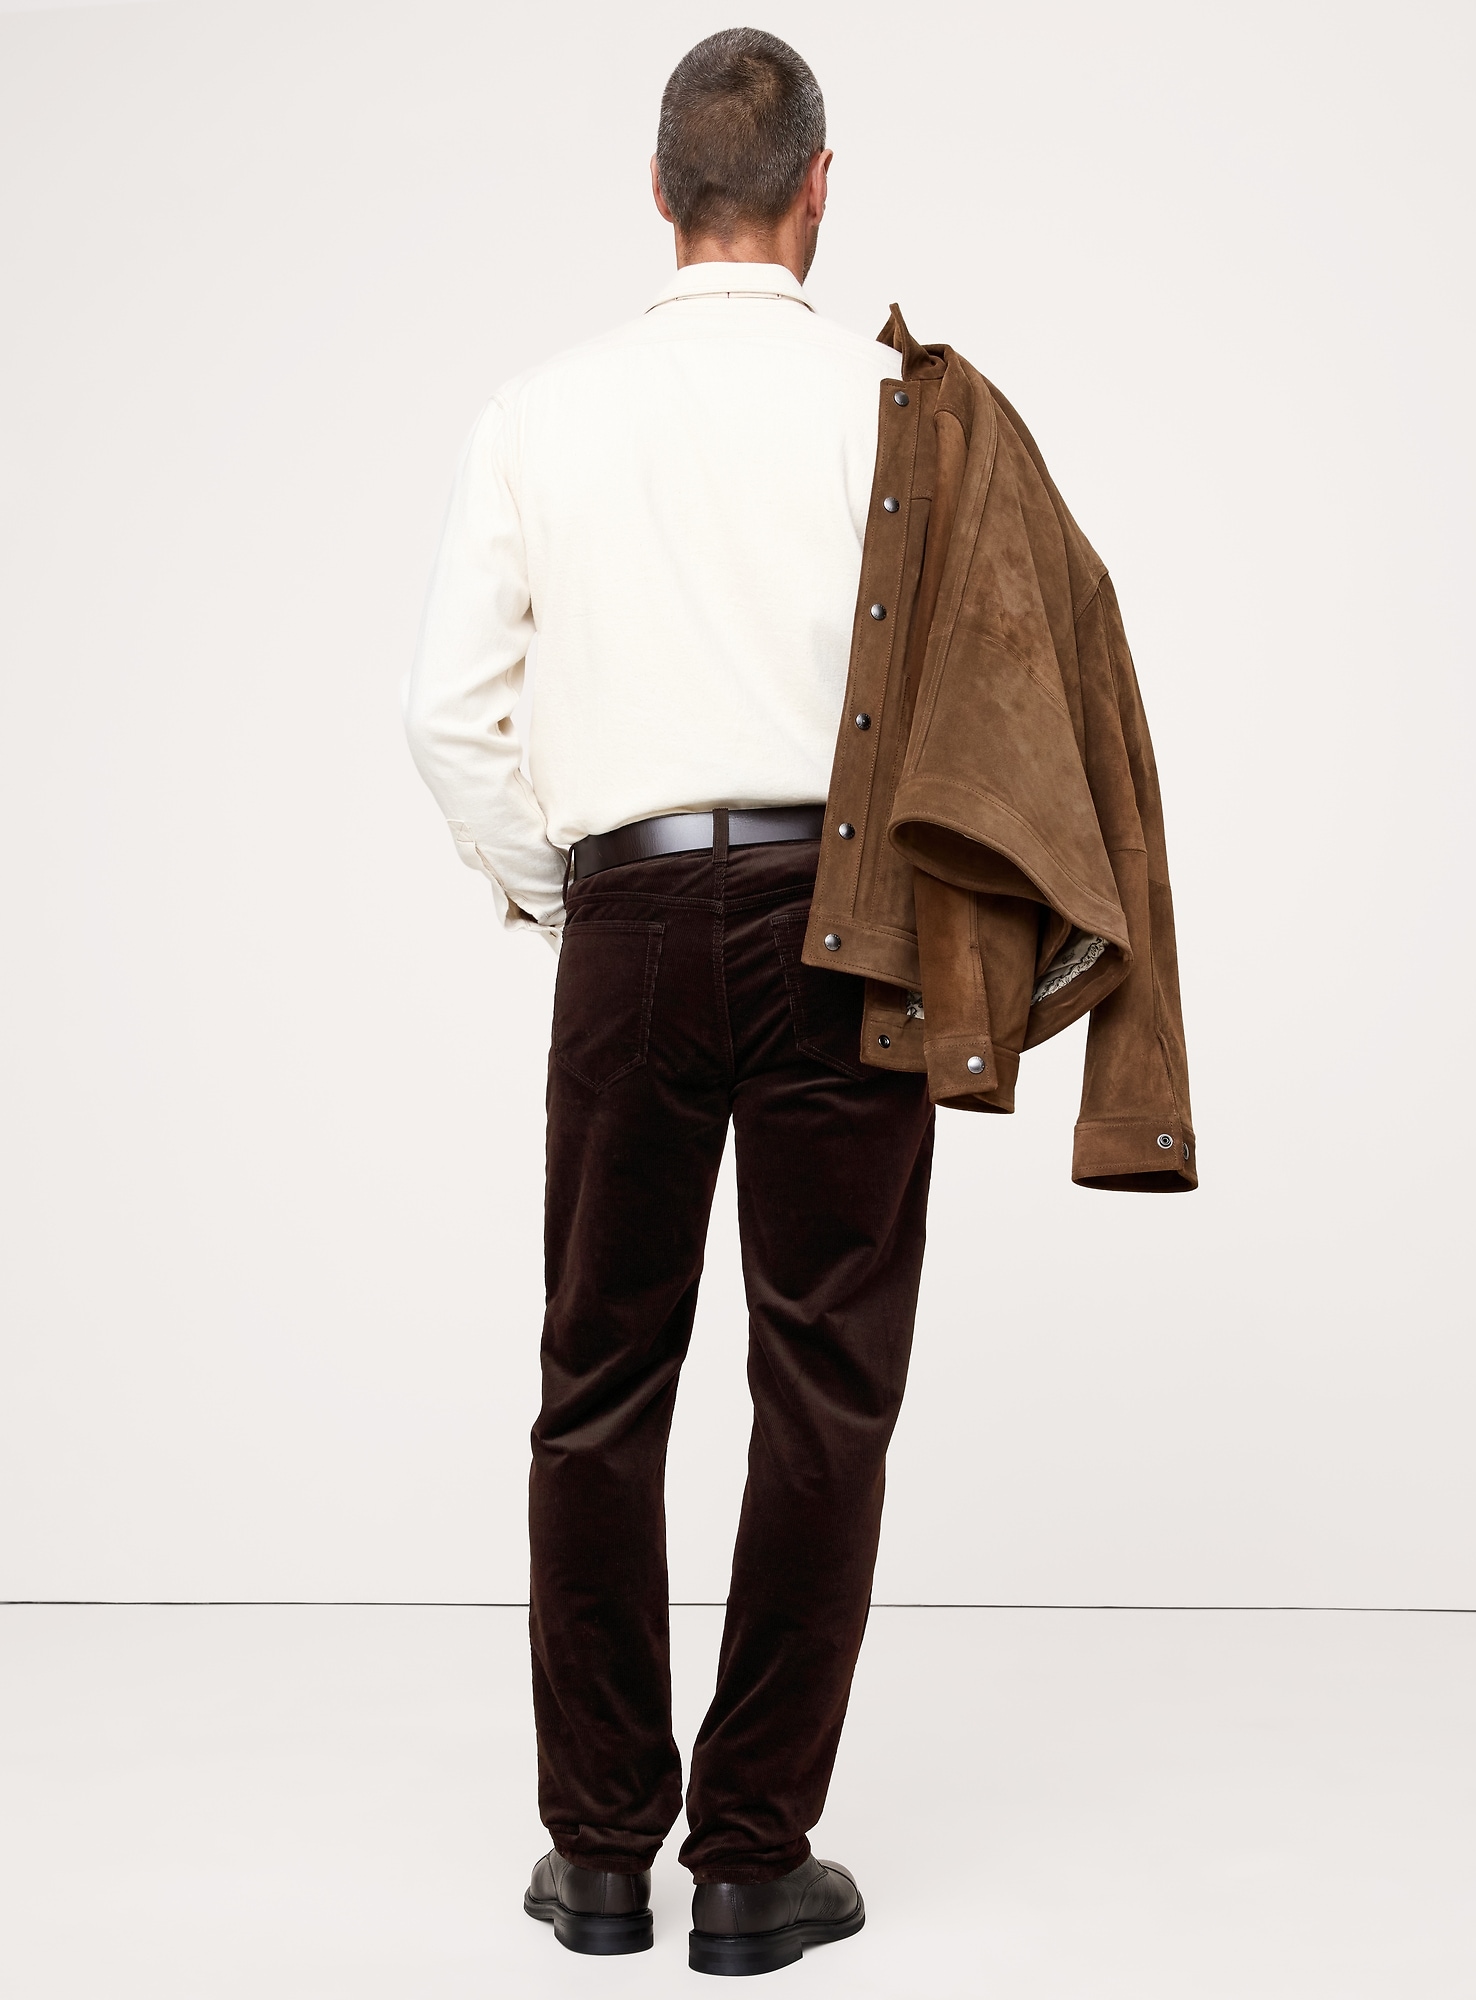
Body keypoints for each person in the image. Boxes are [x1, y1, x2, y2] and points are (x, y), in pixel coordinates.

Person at [405, 24, 1195, 1982]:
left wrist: (570, 896)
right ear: (820, 190)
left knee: (598, 1383)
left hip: (630, 916)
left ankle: (599, 1857)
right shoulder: (900, 413)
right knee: (823, 1388)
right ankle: (754, 1865)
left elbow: (448, 718)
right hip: (855, 920)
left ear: (658, 191)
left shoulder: (540, 411)